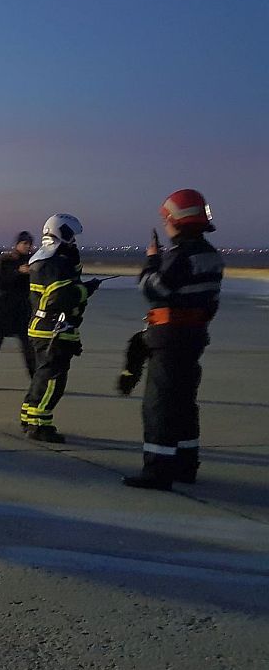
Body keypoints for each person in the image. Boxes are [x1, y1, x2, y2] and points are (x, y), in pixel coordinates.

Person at [122, 189, 224, 490]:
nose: (165, 225)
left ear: (178, 221)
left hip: (170, 338)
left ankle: (158, 470)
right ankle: (185, 465)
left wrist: (152, 261)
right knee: (184, 402)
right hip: (193, 336)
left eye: (167, 220)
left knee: (160, 405)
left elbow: (152, 289)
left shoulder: (180, 256)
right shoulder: (211, 256)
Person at [19, 214, 101, 442]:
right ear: (63, 234)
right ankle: (39, 425)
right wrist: (86, 290)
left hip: (42, 326)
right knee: (53, 379)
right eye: (71, 237)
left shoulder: (41, 259)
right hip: (53, 329)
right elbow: (61, 296)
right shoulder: (56, 263)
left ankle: (29, 417)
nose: (74, 242)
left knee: (41, 375)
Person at [0, 231, 36, 388]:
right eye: (25, 243)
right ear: (17, 244)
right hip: (5, 309)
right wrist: (18, 272)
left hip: (22, 310)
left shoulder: (32, 261)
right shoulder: (7, 260)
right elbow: (1, 284)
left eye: (29, 244)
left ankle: (36, 380)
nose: (27, 247)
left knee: (28, 348)